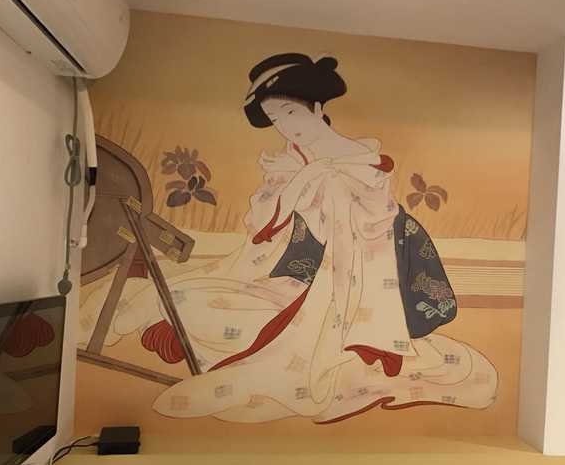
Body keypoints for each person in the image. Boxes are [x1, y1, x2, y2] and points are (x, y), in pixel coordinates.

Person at [82, 53, 498, 424]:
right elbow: (265, 228)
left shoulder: (362, 165)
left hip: (355, 288)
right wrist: (296, 184)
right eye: (277, 119)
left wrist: (311, 185)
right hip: (293, 278)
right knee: (183, 296)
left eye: (290, 113)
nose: (286, 126)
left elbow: (365, 241)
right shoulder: (291, 163)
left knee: (267, 341)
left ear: (317, 108)